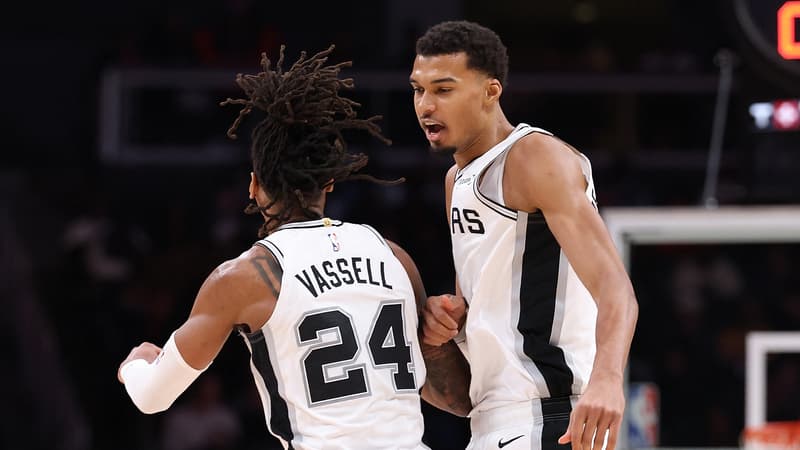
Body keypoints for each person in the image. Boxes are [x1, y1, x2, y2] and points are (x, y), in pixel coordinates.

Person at [117, 45, 433, 450]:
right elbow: (449, 393)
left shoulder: (244, 277)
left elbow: (152, 397)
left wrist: (135, 364)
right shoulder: (393, 254)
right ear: (329, 181)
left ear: (254, 185)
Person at [410, 21, 639, 450]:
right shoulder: (456, 180)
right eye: (418, 90)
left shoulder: (533, 157)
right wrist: (444, 326)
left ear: (490, 91)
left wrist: (608, 379)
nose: (426, 105)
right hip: (492, 420)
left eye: (443, 90)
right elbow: (476, 332)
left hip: (551, 416)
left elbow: (616, 289)